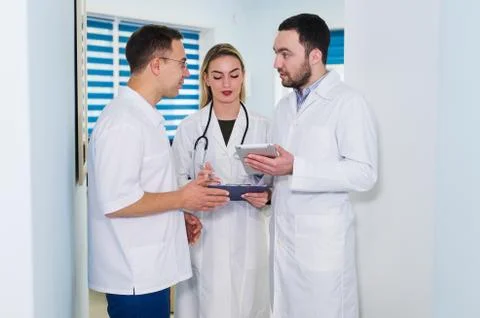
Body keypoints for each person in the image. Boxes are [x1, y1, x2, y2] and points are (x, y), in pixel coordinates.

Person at [87, 25, 230, 318]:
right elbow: (118, 202)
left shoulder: (143, 119)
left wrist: (178, 218)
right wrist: (183, 199)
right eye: (183, 64)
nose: (187, 73)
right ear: (156, 64)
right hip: (135, 278)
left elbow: (145, 189)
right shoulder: (123, 123)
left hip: (149, 272)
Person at [244, 14, 378, 318]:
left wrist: (296, 168)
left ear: (315, 55)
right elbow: (281, 172)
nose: (276, 63)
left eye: (285, 54)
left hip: (321, 250)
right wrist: (265, 190)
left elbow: (364, 173)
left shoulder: (348, 103)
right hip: (283, 244)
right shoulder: (283, 107)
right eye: (276, 53)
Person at [172, 43, 271, 318]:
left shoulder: (265, 126)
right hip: (205, 233)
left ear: (243, 76)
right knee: (204, 305)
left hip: (249, 232)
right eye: (217, 76)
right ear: (206, 79)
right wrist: (194, 187)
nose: (226, 83)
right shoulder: (190, 128)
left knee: (249, 303)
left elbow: (278, 184)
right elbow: (175, 182)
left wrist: (268, 196)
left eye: (234, 74)